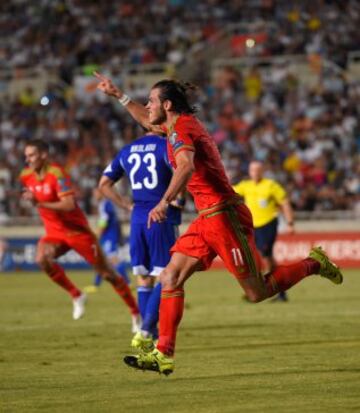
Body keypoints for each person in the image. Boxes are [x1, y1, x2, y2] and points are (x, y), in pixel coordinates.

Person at [94, 72, 343, 376]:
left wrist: (164, 201)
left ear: (168, 105)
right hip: (207, 218)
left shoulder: (182, 129)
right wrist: (118, 95)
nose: (147, 106)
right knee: (170, 276)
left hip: (225, 216)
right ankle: (164, 354)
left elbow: (185, 166)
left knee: (257, 292)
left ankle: (313, 264)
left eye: (152, 101)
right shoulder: (172, 127)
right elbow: (147, 120)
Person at [20, 139, 140, 331]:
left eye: (32, 155)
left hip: (78, 233)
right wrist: (30, 197)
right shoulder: (26, 176)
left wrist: (39, 203)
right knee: (42, 258)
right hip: (54, 233)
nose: (28, 159)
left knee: (108, 274)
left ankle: (136, 313)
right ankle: (76, 294)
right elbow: (30, 192)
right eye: (26, 156)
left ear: (43, 154)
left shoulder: (57, 174)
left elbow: (68, 205)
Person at [98, 132, 183, 352]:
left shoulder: (128, 149)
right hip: (160, 216)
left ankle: (146, 336)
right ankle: (146, 329)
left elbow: (104, 184)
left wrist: (126, 205)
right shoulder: (167, 146)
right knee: (166, 275)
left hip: (137, 217)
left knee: (144, 277)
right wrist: (177, 198)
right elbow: (182, 176)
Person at [233, 160, 295, 302]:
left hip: (268, 224)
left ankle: (265, 288)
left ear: (262, 171)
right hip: (252, 227)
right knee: (265, 258)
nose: (255, 172)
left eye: (257, 170)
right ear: (249, 172)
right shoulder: (245, 186)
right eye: (252, 170)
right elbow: (229, 190)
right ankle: (278, 289)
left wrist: (290, 222)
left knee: (264, 255)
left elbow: (284, 203)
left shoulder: (271, 185)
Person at [85, 188, 131, 293]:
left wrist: (97, 235)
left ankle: (127, 283)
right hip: (110, 236)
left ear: (101, 192)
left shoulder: (104, 205)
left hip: (109, 236)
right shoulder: (106, 204)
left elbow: (104, 222)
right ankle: (96, 285)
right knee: (102, 260)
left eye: (96, 193)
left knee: (113, 259)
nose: (95, 195)